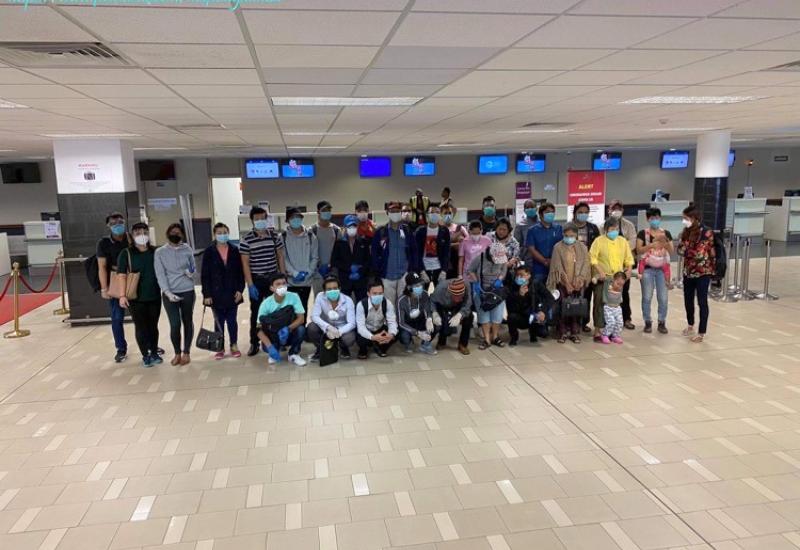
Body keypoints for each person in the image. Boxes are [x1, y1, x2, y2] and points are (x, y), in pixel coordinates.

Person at [240, 206, 286, 357]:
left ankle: (277, 340)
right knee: (257, 312)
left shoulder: (274, 236)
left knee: (277, 310)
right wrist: (250, 284)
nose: (260, 221)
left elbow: (280, 256)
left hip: (273, 279)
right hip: (257, 280)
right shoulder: (246, 239)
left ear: (267, 219)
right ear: (252, 221)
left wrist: (283, 278)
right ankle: (254, 342)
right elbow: (245, 263)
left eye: (262, 218)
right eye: (257, 219)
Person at [117, 223, 163, 368]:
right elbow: (121, 275)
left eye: (144, 232)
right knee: (141, 327)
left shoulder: (156, 251)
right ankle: (145, 355)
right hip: (136, 298)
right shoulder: (126, 253)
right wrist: (122, 295)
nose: (142, 235)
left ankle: (154, 352)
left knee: (153, 326)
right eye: (137, 233)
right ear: (132, 236)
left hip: (154, 295)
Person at [154, 223, 196, 366]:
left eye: (178, 233)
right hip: (169, 293)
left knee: (187, 321)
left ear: (182, 235)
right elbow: (160, 274)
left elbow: (193, 267)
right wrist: (167, 292)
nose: (175, 235)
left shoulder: (187, 249)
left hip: (187, 290)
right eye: (172, 232)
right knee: (175, 324)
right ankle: (177, 353)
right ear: (167, 234)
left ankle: (186, 352)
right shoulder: (160, 252)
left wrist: (191, 272)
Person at [201, 223, 245, 359]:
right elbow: (205, 275)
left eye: (225, 232)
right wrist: (206, 294)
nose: (222, 235)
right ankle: (219, 347)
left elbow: (240, 272)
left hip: (232, 292)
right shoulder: (209, 251)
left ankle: (234, 344)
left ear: (228, 233)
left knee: (232, 321)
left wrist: (240, 290)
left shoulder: (234, 250)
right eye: (219, 233)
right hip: (215, 293)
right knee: (218, 321)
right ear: (214, 235)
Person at [589, 218, 634, 342]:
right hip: (602, 278)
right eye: (611, 229)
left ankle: (613, 331)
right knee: (599, 302)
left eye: (616, 229)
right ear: (606, 230)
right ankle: (598, 330)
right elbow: (592, 258)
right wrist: (600, 271)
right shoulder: (599, 241)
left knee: (615, 304)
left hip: (617, 279)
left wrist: (629, 270)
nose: (614, 231)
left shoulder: (622, 241)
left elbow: (628, 258)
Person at [547, 223, 591, 343]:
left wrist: (580, 280)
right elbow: (557, 267)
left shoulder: (583, 247)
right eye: (566, 235)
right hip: (562, 283)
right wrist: (566, 283)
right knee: (563, 307)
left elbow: (586, 265)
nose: (569, 238)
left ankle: (574, 332)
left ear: (576, 235)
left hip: (578, 284)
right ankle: (562, 332)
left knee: (576, 308)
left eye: (571, 236)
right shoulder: (558, 247)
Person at [678, 205, 715, 343]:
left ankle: (701, 332)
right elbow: (679, 249)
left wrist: (686, 250)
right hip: (688, 271)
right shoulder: (686, 231)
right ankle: (690, 325)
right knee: (688, 300)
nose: (684, 221)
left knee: (702, 301)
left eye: (686, 218)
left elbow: (699, 254)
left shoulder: (706, 232)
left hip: (703, 272)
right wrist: (687, 250)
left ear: (694, 218)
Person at [96, 212, 130, 363]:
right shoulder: (104, 243)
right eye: (114, 223)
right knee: (117, 318)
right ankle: (121, 349)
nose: (118, 225)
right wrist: (104, 288)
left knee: (142, 316)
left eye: (120, 222)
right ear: (108, 226)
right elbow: (102, 267)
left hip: (133, 278)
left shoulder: (131, 238)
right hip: (115, 280)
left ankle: (150, 345)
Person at [636, 207, 675, 334]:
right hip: (647, 269)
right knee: (647, 296)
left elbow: (671, 251)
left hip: (662, 269)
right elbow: (638, 250)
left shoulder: (666, 233)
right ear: (648, 219)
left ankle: (662, 322)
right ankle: (647, 322)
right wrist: (651, 245)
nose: (655, 220)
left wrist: (665, 242)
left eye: (657, 218)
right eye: (652, 218)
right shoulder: (642, 233)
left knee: (663, 297)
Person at [371, 200, 416, 308]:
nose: (395, 213)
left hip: (403, 276)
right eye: (392, 211)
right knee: (389, 306)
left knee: (404, 304)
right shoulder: (381, 232)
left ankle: (402, 319)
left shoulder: (407, 231)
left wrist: (412, 270)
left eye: (397, 211)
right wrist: (378, 271)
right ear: (387, 213)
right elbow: (374, 254)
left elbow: (414, 251)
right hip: (387, 277)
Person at [256, 273, 307, 366]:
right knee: (266, 347)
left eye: (284, 283)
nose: (282, 286)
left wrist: (288, 328)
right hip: (273, 334)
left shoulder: (294, 297)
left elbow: (301, 319)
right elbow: (258, 329)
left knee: (301, 329)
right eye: (278, 284)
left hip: (289, 332)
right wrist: (269, 347)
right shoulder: (266, 304)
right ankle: (274, 350)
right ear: (271, 288)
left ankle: (293, 354)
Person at [468, 242, 509, 350]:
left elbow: (504, 270)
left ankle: (495, 337)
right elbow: (470, 270)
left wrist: (500, 279)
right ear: (490, 254)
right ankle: (486, 339)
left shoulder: (503, 258)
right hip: (481, 290)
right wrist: (476, 282)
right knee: (484, 315)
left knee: (497, 316)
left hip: (497, 290)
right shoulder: (480, 258)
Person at [308, 276, 356, 362]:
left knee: (349, 338)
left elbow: (352, 323)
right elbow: (314, 316)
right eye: (329, 289)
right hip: (326, 327)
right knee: (311, 327)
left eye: (335, 288)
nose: (332, 291)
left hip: (342, 327)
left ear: (339, 289)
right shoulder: (320, 297)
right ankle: (320, 348)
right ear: (324, 291)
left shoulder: (348, 300)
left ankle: (343, 347)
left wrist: (339, 332)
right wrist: (328, 327)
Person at [607, 200, 637, 330]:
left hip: (624, 264)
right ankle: (608, 320)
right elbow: (602, 243)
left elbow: (632, 242)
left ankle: (626, 318)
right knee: (608, 292)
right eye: (614, 209)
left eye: (619, 209)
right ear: (609, 210)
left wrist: (619, 247)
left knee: (624, 292)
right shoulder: (603, 226)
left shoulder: (629, 225)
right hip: (609, 264)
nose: (616, 211)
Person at [572, 202, 601, 333]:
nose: (583, 214)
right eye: (580, 212)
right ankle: (572, 322)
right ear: (575, 213)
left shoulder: (593, 228)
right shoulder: (569, 227)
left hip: (588, 266)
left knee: (586, 295)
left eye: (585, 212)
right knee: (573, 294)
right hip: (572, 265)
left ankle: (584, 322)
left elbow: (598, 247)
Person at [507, 265, 554, 346]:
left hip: (535, 315)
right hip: (521, 316)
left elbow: (549, 298)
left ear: (528, 275)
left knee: (543, 333)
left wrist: (543, 311)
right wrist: (520, 295)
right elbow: (511, 307)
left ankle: (533, 334)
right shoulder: (513, 286)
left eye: (521, 275)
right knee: (511, 317)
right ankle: (514, 338)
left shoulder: (536, 284)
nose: (519, 277)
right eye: (517, 275)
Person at [283, 207, 318, 311]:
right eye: (292, 218)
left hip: (306, 281)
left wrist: (308, 272)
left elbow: (315, 257)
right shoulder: (283, 237)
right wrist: (294, 273)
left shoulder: (310, 236)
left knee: (303, 309)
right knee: (290, 310)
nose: (296, 220)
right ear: (287, 220)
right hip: (290, 282)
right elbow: (283, 258)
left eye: (298, 217)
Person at [331, 214, 371, 302]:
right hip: (345, 280)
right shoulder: (339, 243)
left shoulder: (363, 242)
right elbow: (334, 261)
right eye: (349, 226)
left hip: (360, 280)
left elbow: (368, 261)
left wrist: (360, 271)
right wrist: (349, 268)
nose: (352, 228)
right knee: (344, 305)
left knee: (362, 304)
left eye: (354, 226)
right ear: (345, 227)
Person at [356, 279, 398, 359]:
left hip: (380, 329)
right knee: (360, 338)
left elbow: (392, 322)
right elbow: (360, 327)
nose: (378, 296)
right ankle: (363, 350)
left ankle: (381, 348)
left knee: (396, 332)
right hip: (367, 329)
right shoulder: (361, 305)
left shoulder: (387, 303)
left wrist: (390, 335)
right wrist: (373, 337)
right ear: (368, 294)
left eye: (380, 293)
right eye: (374, 293)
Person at [397, 273, 437, 355]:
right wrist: (417, 333)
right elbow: (401, 322)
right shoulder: (401, 301)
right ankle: (408, 343)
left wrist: (429, 319)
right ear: (409, 287)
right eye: (416, 286)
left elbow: (428, 309)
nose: (420, 287)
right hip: (408, 324)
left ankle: (425, 345)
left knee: (435, 324)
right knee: (404, 336)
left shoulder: (425, 294)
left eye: (421, 285)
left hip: (420, 321)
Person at [431, 277, 473, 355]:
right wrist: (434, 313)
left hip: (460, 306)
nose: (459, 299)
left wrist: (460, 315)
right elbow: (432, 301)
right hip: (444, 304)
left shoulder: (467, 286)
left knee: (469, 317)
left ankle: (463, 344)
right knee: (442, 319)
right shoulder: (440, 289)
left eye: (461, 296)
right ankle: (442, 341)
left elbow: (468, 303)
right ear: (450, 292)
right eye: (456, 297)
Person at [527, 202, 563, 284]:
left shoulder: (559, 228)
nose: (550, 214)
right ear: (540, 215)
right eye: (547, 212)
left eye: (552, 212)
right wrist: (544, 261)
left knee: (555, 290)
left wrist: (553, 261)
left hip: (556, 266)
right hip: (538, 268)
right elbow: (531, 249)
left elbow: (562, 246)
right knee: (538, 289)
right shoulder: (532, 230)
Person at [414, 204, 450, 287]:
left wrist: (444, 270)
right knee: (422, 292)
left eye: (437, 212)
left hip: (439, 268)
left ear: (440, 215)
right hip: (424, 268)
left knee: (439, 292)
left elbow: (447, 252)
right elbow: (416, 253)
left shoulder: (444, 231)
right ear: (427, 215)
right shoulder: (420, 231)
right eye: (432, 212)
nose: (434, 214)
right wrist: (421, 271)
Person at [312, 200, 340, 295]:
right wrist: (317, 266)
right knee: (320, 297)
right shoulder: (312, 230)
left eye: (328, 210)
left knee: (333, 297)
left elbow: (341, 252)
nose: (327, 213)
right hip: (317, 271)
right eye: (324, 210)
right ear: (318, 212)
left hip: (333, 271)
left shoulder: (336, 230)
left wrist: (333, 266)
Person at [441, 203, 467, 279]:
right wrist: (456, 243)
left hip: (458, 263)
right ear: (441, 214)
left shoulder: (460, 228)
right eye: (445, 213)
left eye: (450, 213)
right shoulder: (439, 229)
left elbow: (468, 242)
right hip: (444, 264)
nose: (448, 215)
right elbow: (440, 245)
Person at [600, 272, 627, 344]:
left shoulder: (621, 285)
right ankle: (605, 335)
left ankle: (615, 336)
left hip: (617, 307)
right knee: (611, 322)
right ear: (613, 280)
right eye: (618, 283)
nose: (619, 286)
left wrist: (637, 275)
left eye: (621, 285)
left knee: (620, 322)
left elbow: (629, 274)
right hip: (608, 307)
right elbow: (602, 276)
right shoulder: (608, 285)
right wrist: (595, 278)